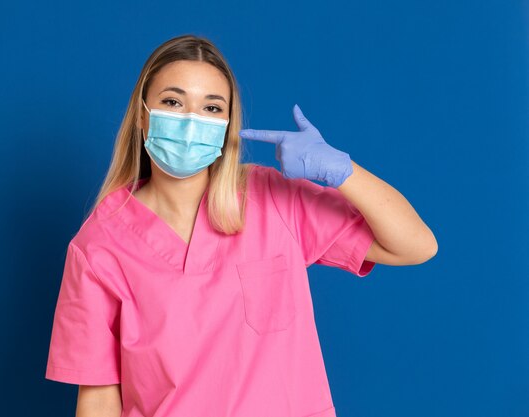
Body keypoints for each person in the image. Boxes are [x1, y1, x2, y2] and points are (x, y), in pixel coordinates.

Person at [45, 34, 438, 417]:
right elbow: (98, 401)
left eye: (211, 108)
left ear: (227, 125)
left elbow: (415, 245)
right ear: (143, 117)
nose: (191, 121)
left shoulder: (273, 198)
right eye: (173, 102)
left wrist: (343, 172)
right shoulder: (99, 245)